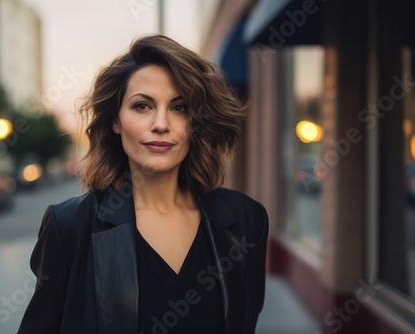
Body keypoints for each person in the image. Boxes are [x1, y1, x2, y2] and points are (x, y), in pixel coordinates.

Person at [18, 35, 268, 334]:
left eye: (179, 107)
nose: (161, 123)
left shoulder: (246, 220)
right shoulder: (69, 226)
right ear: (115, 121)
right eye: (142, 106)